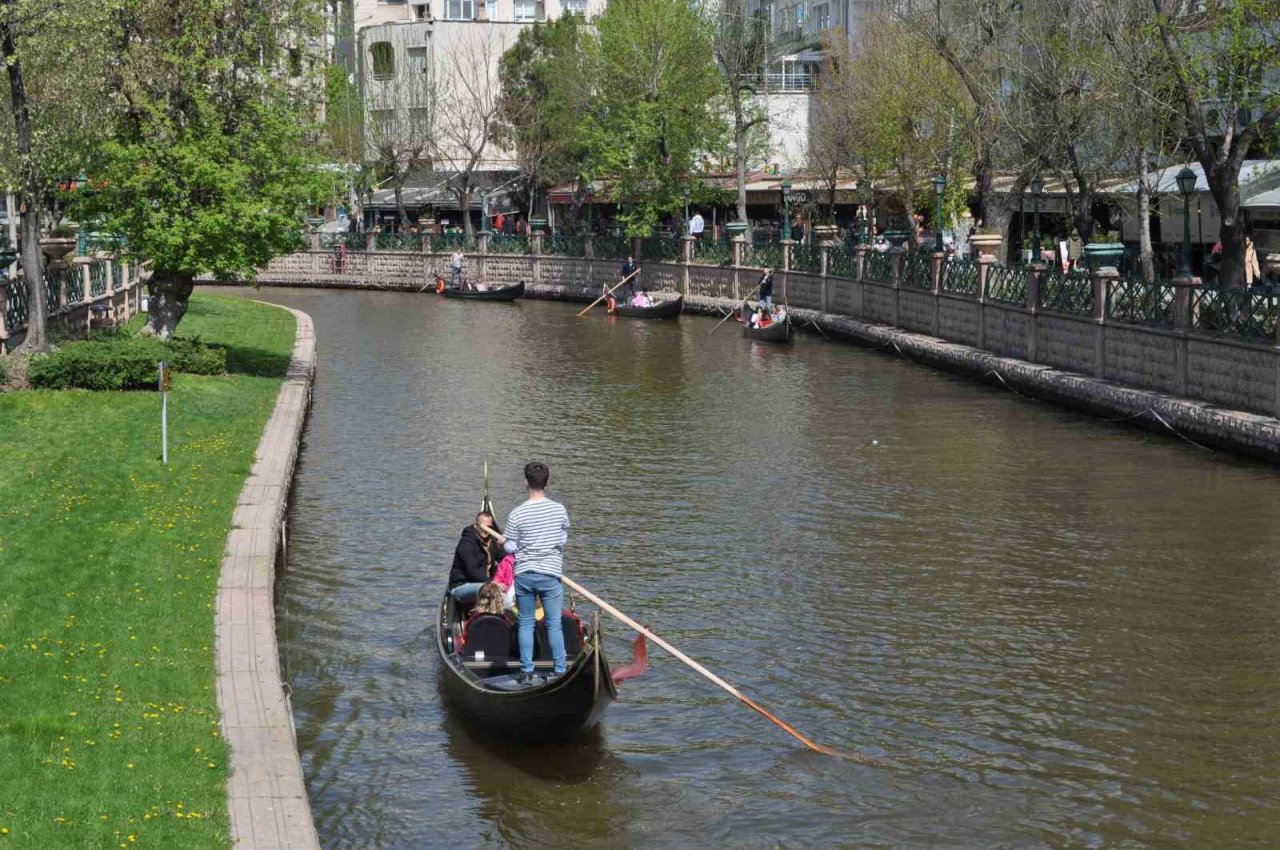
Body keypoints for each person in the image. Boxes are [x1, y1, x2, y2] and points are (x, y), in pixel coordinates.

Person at [490, 462, 570, 684]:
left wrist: (504, 540)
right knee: (554, 623)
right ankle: (561, 670)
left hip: (525, 574)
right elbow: (563, 539)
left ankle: (526, 670)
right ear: (547, 481)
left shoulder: (517, 513)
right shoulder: (559, 510)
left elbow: (510, 548)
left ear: (526, 482)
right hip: (550, 574)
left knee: (526, 622)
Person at [449, 512, 499, 604]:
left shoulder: (492, 541)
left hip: (485, 583)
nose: (486, 530)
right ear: (476, 525)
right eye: (484, 527)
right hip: (461, 586)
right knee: (491, 589)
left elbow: (504, 557)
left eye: (490, 527)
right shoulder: (466, 543)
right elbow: (472, 571)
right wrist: (492, 582)